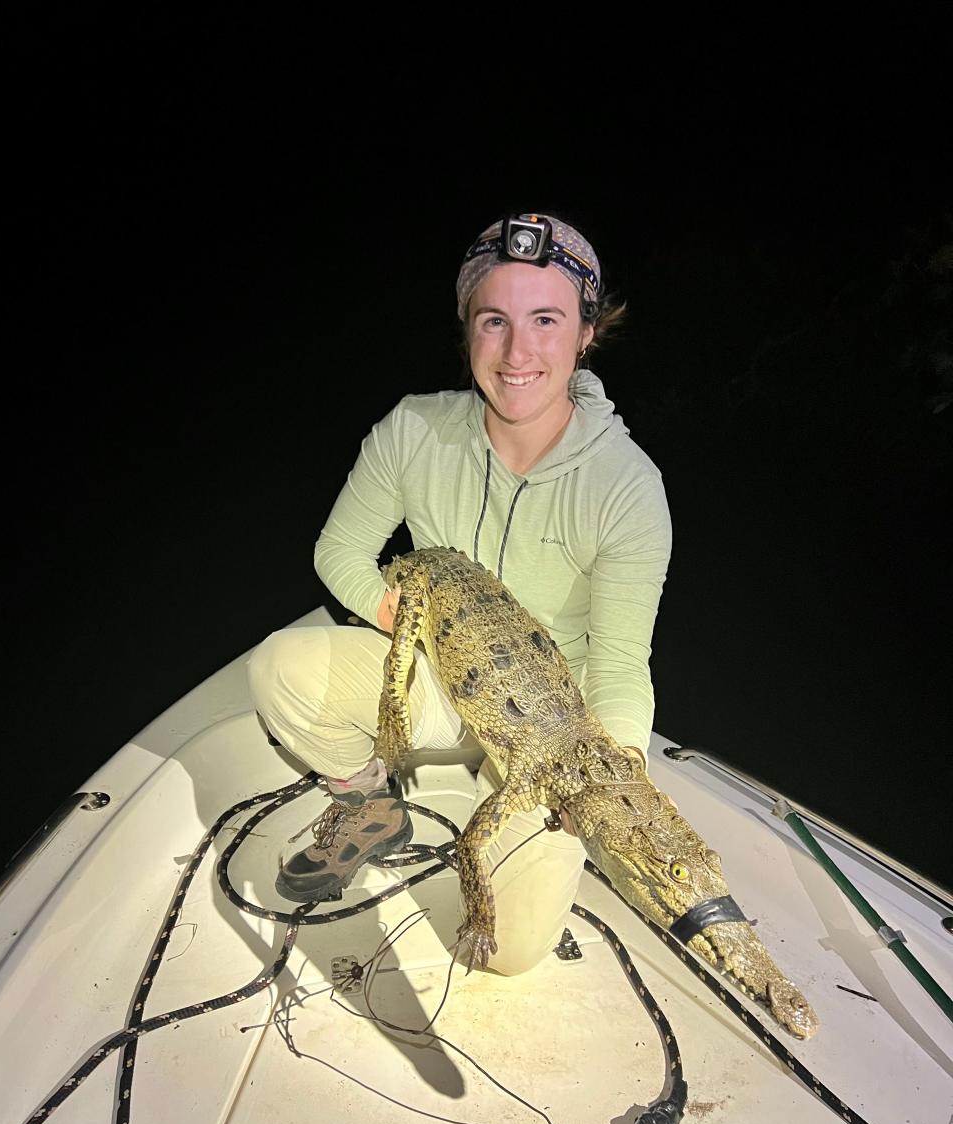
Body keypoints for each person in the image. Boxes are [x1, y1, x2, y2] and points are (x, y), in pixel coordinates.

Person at [247, 212, 673, 975]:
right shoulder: (412, 429)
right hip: (438, 679)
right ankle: (371, 804)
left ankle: (525, 839)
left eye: (547, 319)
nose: (518, 351)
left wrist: (617, 775)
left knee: (506, 953)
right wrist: (409, 621)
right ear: (467, 329)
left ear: (585, 333)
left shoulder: (628, 487)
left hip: (546, 725)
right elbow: (339, 551)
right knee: (280, 670)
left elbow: (619, 663)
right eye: (494, 320)